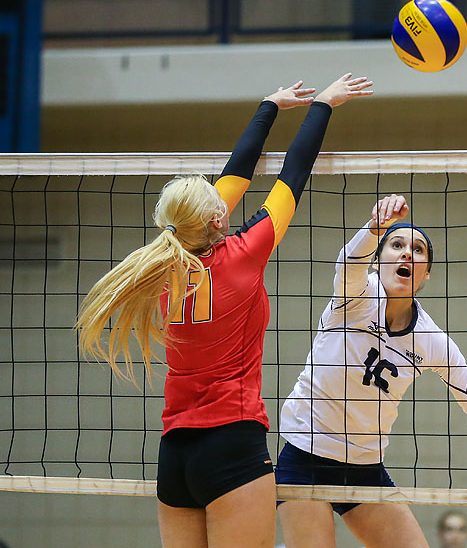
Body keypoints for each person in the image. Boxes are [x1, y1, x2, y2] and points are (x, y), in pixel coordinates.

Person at [76, 73, 373, 548]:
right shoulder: (244, 253)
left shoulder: (161, 262)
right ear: (217, 219)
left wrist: (268, 106)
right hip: (232, 444)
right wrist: (322, 104)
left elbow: (232, 181)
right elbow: (293, 174)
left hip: (175, 454)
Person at [277, 193, 467, 548]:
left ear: (426, 273)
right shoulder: (354, 296)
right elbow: (348, 263)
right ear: (377, 261)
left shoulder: (432, 341)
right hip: (305, 457)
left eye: (417, 250)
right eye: (397, 245)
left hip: (364, 468)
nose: (406, 253)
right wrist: (375, 228)